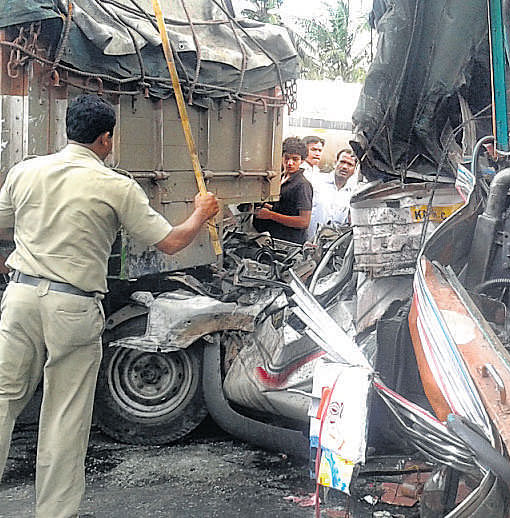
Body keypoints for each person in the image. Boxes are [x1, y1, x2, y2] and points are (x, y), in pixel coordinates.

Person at [0, 94, 219, 518]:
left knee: (2, 399)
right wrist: (200, 213)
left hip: (21, 297)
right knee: (64, 415)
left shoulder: (25, 171)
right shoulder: (114, 185)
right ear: (106, 138)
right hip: (73, 305)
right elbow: (171, 242)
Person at [253, 137, 313, 244]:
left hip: (289, 244)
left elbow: (304, 221)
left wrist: (271, 215)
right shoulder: (279, 178)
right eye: (286, 158)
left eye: (295, 159)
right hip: (274, 239)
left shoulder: (302, 185)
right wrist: (269, 207)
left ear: (302, 161)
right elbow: (287, 207)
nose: (290, 163)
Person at [307, 148, 359, 240]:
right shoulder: (317, 182)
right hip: (309, 241)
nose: (344, 167)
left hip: (334, 246)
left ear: (355, 169)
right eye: (342, 162)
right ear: (335, 163)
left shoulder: (354, 193)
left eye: (350, 164)